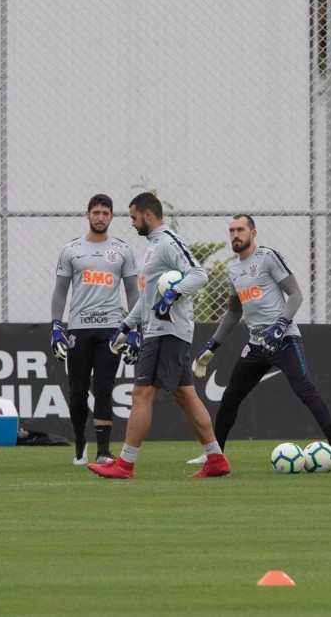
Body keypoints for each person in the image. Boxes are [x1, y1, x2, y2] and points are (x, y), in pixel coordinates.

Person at [88, 192, 231, 479]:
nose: (131, 223)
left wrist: (173, 293)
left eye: (133, 217)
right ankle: (216, 458)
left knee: (140, 394)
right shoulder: (153, 247)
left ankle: (125, 464)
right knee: (185, 395)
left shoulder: (167, 241)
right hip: (162, 331)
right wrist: (127, 325)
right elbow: (148, 296)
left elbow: (199, 274)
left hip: (166, 332)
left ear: (147, 214)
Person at [188, 215, 331, 465]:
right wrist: (213, 344)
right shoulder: (233, 269)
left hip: (283, 339)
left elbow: (295, 294)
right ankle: (214, 454)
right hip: (256, 345)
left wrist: (280, 324)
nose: (235, 235)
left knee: (305, 390)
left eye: (240, 230)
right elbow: (233, 312)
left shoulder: (268, 257)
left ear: (253, 233)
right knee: (230, 397)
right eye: (231, 230)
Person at [51, 194, 139, 465]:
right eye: (96, 212)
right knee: (77, 391)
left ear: (112, 217)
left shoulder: (123, 250)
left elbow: (134, 292)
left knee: (103, 388)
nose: (100, 217)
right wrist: (56, 327)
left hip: (111, 330)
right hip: (78, 329)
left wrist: (134, 331)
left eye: (105, 213)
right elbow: (60, 292)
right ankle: (80, 440)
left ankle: (103, 451)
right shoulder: (71, 250)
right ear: (87, 215)